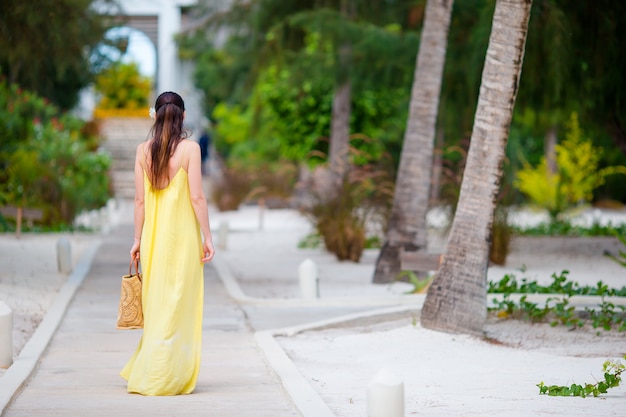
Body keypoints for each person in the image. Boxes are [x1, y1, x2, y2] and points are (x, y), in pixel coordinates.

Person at [121, 91, 215, 396]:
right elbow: (197, 197)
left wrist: (136, 240)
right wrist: (208, 237)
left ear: (155, 115)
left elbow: (139, 201)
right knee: (178, 306)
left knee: (157, 304)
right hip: (184, 241)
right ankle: (168, 375)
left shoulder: (141, 151)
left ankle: (153, 372)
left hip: (152, 240)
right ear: (183, 117)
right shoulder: (190, 150)